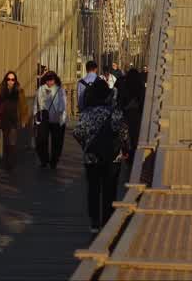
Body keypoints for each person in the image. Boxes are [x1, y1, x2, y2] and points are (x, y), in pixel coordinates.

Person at [73, 78, 130, 233]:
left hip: (91, 156)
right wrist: (125, 149)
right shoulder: (114, 112)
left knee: (93, 188)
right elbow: (124, 133)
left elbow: (77, 132)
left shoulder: (86, 114)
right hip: (112, 156)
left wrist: (86, 145)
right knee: (109, 188)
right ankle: (107, 220)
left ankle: (94, 222)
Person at [33, 70, 67, 168]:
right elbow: (36, 104)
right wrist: (35, 117)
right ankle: (44, 160)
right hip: (43, 118)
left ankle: (54, 161)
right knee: (41, 140)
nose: (49, 82)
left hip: (57, 119)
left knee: (57, 141)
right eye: (47, 80)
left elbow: (63, 104)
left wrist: (63, 119)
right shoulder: (41, 89)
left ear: (55, 80)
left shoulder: (60, 90)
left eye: (51, 80)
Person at [0, 70, 26, 169]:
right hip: (3, 118)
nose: (10, 81)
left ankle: (10, 162)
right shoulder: (1, 89)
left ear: (15, 80)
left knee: (12, 141)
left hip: (14, 118)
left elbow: (23, 106)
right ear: (5, 80)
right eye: (8, 79)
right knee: (6, 141)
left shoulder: (19, 90)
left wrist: (23, 119)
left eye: (13, 79)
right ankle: (7, 160)